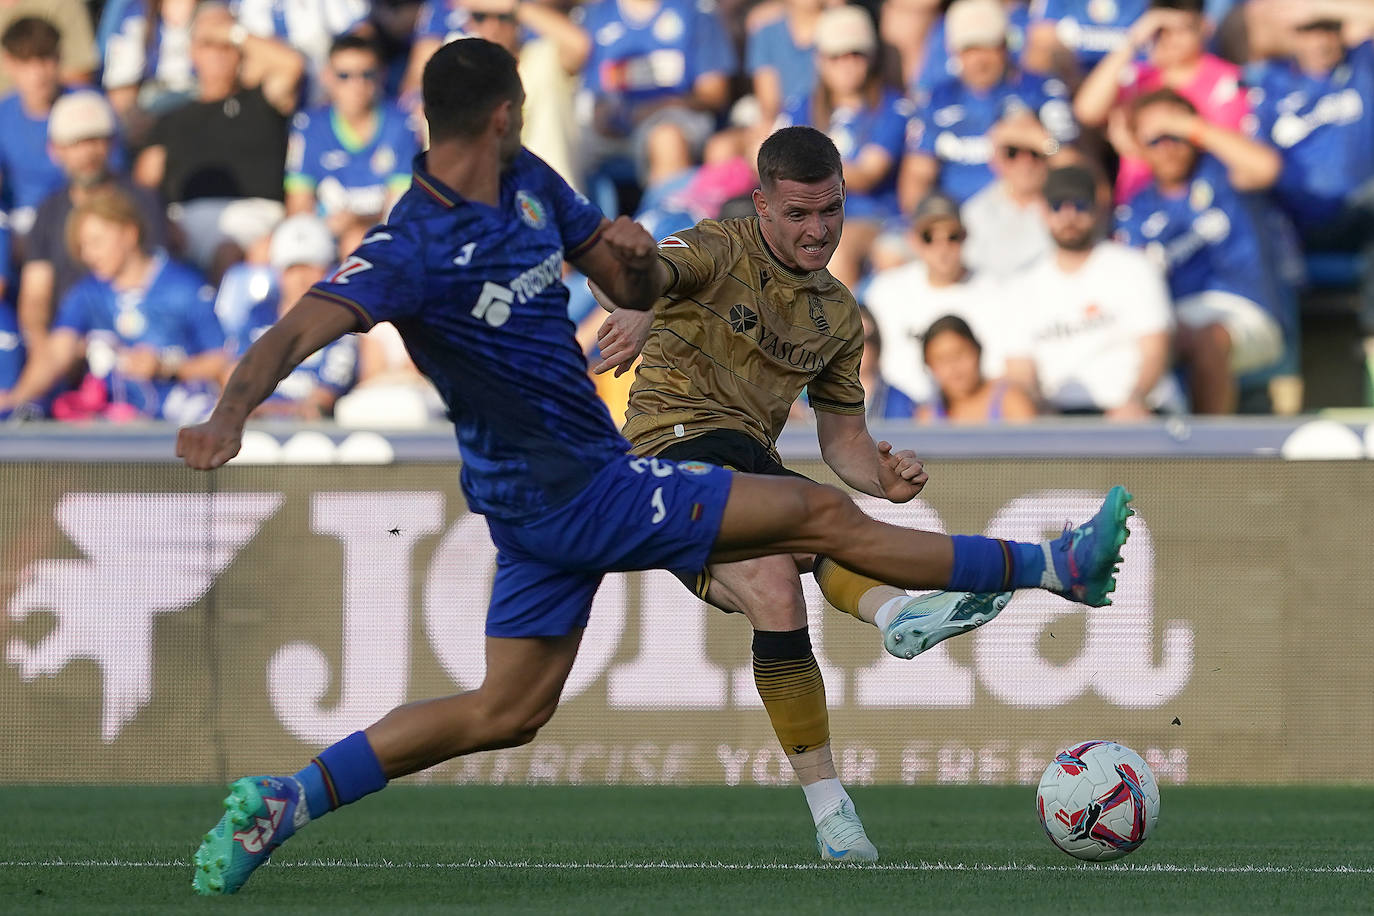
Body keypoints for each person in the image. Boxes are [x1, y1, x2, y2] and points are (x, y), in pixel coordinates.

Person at [178, 39, 1133, 896]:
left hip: (541, 504)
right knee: (814, 519)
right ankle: (1050, 569)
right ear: (506, 112)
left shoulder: (534, 185)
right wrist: (231, 410)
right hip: (589, 485)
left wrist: (635, 277)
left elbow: (623, 272)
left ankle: (287, 799)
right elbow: (301, 326)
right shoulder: (409, 246)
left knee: (506, 711)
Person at [588, 128, 1012, 861]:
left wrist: (887, 479)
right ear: (761, 205)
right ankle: (894, 609)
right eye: (797, 214)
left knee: (777, 593)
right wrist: (636, 304)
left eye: (832, 210)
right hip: (672, 447)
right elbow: (636, 272)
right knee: (807, 537)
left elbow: (845, 442)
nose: (818, 229)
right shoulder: (718, 248)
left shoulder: (839, 316)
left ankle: (833, 814)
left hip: (749, 458)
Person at [1114, 88, 1287, 414]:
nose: (1166, 147)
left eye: (1175, 135)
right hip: (1171, 321)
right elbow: (1059, 159)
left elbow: (1267, 168)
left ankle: (1210, 456)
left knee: (1207, 338)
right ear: (1137, 146)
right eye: (1154, 138)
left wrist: (1193, 127)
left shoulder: (1224, 174)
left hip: (1243, 313)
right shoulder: (1135, 208)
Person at [0, 187, 227, 421]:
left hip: (180, 423)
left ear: (129, 234)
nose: (88, 255)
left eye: (95, 242)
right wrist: (16, 398)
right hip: (115, 428)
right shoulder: (87, 292)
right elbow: (57, 354)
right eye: (82, 247)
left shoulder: (185, 287)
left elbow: (224, 359)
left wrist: (168, 368)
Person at [1245, 1, 1374, 392]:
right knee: (1253, 220)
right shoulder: (1269, 80)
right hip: (1290, 224)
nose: (1320, 40)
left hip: (1360, 213)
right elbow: (1247, 27)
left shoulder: (1363, 67)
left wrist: (1313, 6)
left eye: (1328, 28)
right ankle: (1281, 386)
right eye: (1309, 30)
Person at [133, 2, 304, 279]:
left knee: (230, 251)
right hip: (183, 221)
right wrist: (161, 222)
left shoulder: (261, 102)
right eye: (207, 44)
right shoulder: (172, 117)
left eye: (225, 44)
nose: (218, 53)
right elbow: (144, 183)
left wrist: (233, 33)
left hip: (256, 218)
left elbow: (292, 65)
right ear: (193, 52)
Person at [1005, 164, 1178, 417]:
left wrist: (1134, 400)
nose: (1069, 215)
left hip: (1137, 411)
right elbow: (1020, 369)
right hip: (1061, 418)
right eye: (1057, 205)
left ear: (1097, 207)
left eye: (1079, 204)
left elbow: (1155, 349)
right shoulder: (1022, 286)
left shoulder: (1134, 268)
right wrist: (1039, 410)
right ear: (1043, 211)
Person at [21, 90, 167, 354]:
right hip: (65, 342)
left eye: (95, 141)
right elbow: (35, 295)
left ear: (111, 144)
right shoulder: (49, 211)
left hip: (133, 340)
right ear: (55, 150)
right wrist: (44, 346)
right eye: (76, 143)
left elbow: (154, 277)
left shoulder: (141, 201)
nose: (87, 154)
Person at [900, 0, 1078, 210]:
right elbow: (916, 178)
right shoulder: (935, 100)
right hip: (955, 224)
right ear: (954, 52)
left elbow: (1075, 170)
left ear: (1004, 46)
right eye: (970, 49)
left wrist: (1037, 139)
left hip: (1026, 213)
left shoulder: (1042, 91)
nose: (980, 60)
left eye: (988, 47)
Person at [779, 5, 911, 287]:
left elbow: (867, 174)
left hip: (872, 215)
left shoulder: (892, 108)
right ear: (820, 60)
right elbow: (773, 163)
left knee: (835, 247)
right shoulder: (802, 107)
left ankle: (841, 330)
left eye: (856, 54)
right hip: (808, 213)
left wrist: (803, 167)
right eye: (836, 56)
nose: (846, 64)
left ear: (872, 57)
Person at [1073, 0, 1249, 202]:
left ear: (1204, 26)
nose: (1169, 38)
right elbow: (1086, 111)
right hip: (1135, 204)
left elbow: (1227, 149)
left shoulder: (1227, 81)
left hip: (1202, 202)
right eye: (1160, 30)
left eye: (1181, 29)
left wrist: (1140, 149)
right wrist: (1132, 40)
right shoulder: (1138, 77)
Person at [403, 0, 590, 189]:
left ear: (517, 22)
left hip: (553, 206)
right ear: (469, 24)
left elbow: (579, 46)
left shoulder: (542, 59)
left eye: (503, 17)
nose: (493, 27)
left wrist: (514, 6)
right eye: (480, 17)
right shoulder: (454, 79)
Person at [864, 192, 1011, 407]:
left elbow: (1004, 375)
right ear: (912, 240)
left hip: (965, 415)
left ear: (966, 236)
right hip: (893, 413)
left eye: (952, 236)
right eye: (929, 236)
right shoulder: (884, 291)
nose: (942, 248)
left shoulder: (995, 293)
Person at [572, 0, 736, 189]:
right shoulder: (595, 14)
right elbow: (593, 97)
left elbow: (714, 94)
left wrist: (659, 107)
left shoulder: (696, 11)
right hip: (608, 129)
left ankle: (666, 216)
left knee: (667, 138)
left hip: (675, 119)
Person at [285, 34, 421, 255]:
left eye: (367, 74)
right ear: (326, 77)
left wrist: (357, 220)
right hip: (322, 233)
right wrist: (321, 230)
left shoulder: (402, 126)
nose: (357, 85)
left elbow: (398, 210)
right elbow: (299, 206)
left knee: (356, 242)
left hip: (378, 235)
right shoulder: (309, 127)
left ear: (382, 75)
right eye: (344, 75)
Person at [221, 214, 357, 419]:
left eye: (310, 268)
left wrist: (265, 411)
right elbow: (234, 374)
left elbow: (322, 400)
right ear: (279, 273)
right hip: (255, 425)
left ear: (325, 271)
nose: (301, 279)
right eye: (293, 269)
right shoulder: (259, 314)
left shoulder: (340, 324)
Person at [960, 110, 1056, 280]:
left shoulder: (1067, 207)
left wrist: (1050, 145)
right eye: (1012, 152)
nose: (1025, 162)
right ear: (995, 159)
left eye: (1035, 152)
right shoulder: (975, 212)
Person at [0, 17, 71, 238]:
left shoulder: (88, 108)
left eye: (45, 59)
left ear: (59, 58)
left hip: (74, 222)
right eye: (25, 61)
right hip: (16, 225)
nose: (38, 73)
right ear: (7, 63)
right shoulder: (3, 114)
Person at [917, 314, 1036, 423]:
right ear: (929, 365)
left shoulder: (1011, 404)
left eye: (959, 354)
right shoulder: (927, 418)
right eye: (941, 359)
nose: (953, 367)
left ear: (977, 351)